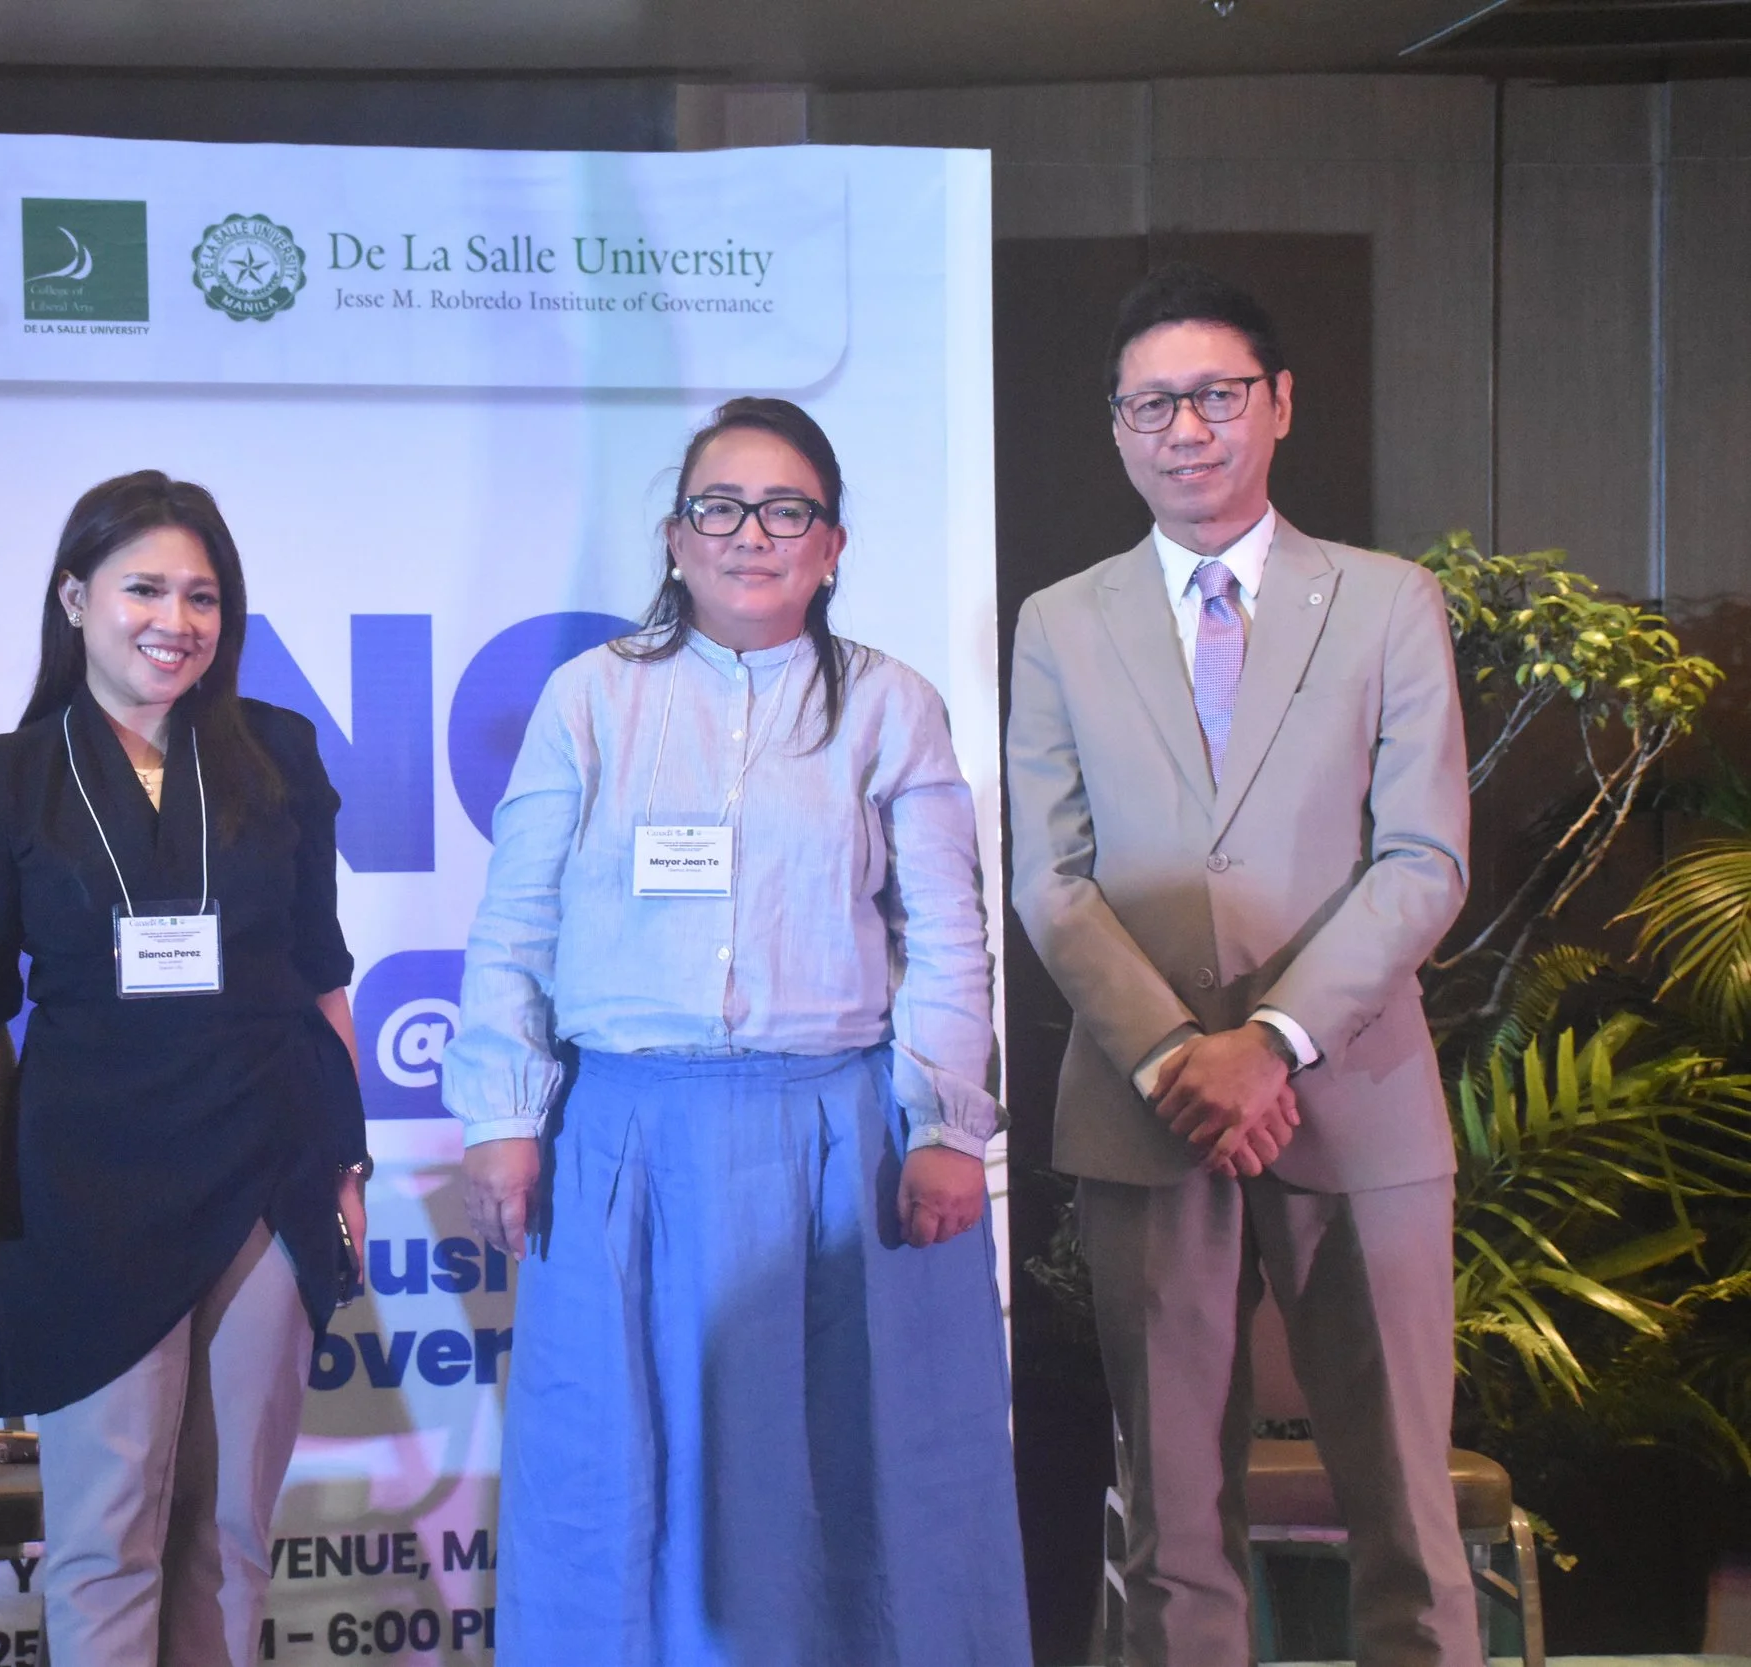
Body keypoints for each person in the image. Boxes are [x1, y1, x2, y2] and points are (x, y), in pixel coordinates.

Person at [444, 397, 1030, 1666]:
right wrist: (501, 1111)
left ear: (831, 544)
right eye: (719, 507)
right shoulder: (588, 700)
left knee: (849, 1472)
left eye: (785, 510)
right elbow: (517, 921)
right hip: (623, 1138)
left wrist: (945, 1122)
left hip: (834, 1142)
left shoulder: (892, 705)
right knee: (611, 1469)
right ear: (674, 537)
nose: (749, 534)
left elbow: (947, 932)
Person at [1005, 264, 1477, 1665]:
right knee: (1174, 1529)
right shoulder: (1060, 620)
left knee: (1407, 1513)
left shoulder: (1387, 602)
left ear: (1278, 403)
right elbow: (1050, 876)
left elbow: (1424, 858)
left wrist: (1268, 1041)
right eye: (1151, 404)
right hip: (1146, 1112)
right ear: (1117, 427)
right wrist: (1176, 1054)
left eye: (1215, 395)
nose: (1186, 429)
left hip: (1356, 1101)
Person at [0, 470, 368, 1667]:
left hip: (270, 1167)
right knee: (105, 1531)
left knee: (229, 1530)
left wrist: (347, 1164)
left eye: (202, 596)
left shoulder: (277, 754)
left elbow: (321, 975)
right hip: (88, 1192)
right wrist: (12, 1197)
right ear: (75, 597)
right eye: (144, 589)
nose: (176, 620)